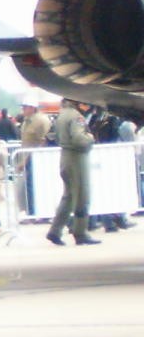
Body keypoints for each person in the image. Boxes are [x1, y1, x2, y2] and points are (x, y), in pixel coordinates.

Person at [48, 100, 100, 246]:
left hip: (65, 156)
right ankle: (80, 232)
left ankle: (55, 230)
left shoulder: (62, 115)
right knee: (82, 196)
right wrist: (90, 138)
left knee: (69, 197)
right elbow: (79, 139)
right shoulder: (76, 117)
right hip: (76, 158)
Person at [17, 97, 52, 219]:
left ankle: (37, 213)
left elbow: (44, 140)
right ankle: (31, 212)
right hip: (27, 156)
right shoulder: (27, 121)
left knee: (35, 186)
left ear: (32, 108)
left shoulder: (41, 121)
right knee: (29, 187)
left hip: (36, 157)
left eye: (25, 107)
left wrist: (27, 159)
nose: (23, 110)